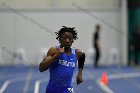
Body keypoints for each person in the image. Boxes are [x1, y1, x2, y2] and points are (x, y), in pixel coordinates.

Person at [39, 26, 85, 93]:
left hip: (68, 89)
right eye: (64, 38)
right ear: (60, 39)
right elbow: (41, 68)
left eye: (70, 39)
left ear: (72, 40)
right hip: (52, 89)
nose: (67, 41)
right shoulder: (54, 50)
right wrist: (55, 56)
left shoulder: (76, 53)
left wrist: (80, 74)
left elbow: (82, 56)